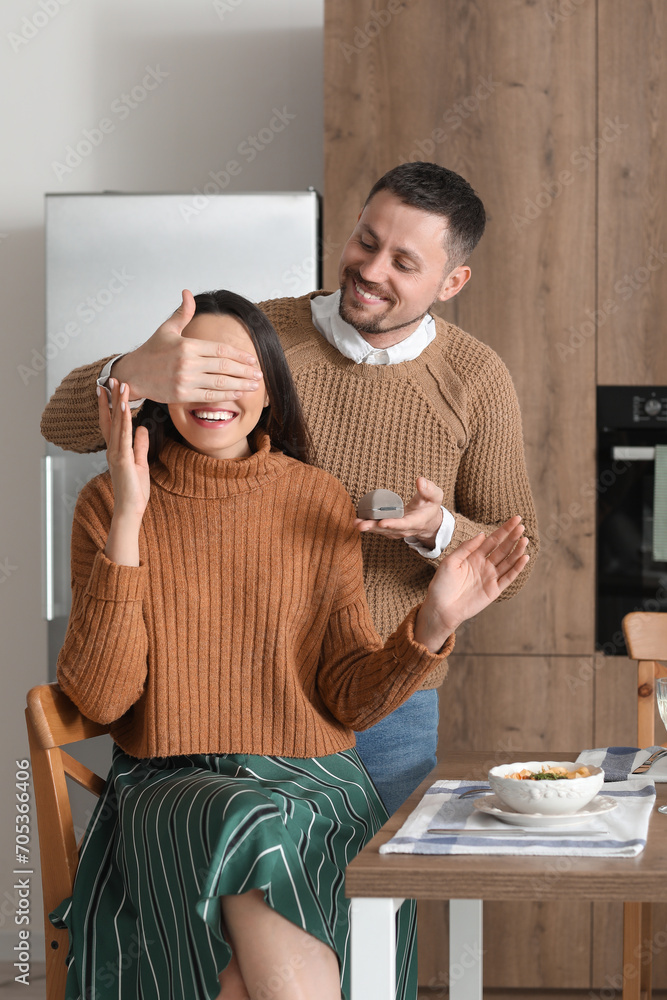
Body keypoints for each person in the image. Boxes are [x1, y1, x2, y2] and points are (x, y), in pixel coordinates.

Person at [49, 290, 528, 1000]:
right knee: (250, 820)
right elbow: (101, 698)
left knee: (247, 967)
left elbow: (346, 694)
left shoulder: (316, 498)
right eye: (196, 370)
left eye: (236, 371)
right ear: (164, 383)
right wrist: (128, 517)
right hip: (172, 788)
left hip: (314, 782)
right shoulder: (107, 502)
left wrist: (431, 623)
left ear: (271, 387)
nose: (214, 391)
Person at [40, 162, 539, 815]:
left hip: (385, 690)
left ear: (451, 281)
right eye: (366, 240)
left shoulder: (476, 379)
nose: (370, 268)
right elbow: (61, 423)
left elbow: (511, 561)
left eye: (403, 262)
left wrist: (438, 531)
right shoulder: (265, 336)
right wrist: (130, 370)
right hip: (233, 689)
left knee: (381, 897)